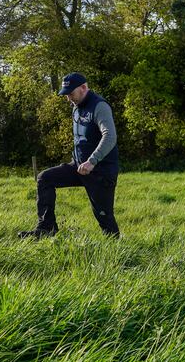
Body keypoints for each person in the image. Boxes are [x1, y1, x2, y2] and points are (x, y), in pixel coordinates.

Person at [19, 72, 120, 239]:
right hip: (79, 167)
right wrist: (78, 160)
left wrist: (92, 161)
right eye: (66, 95)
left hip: (101, 171)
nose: (68, 98)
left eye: (71, 93)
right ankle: (46, 229)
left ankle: (119, 254)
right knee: (45, 179)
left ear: (84, 88)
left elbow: (110, 136)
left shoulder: (99, 106)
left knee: (104, 218)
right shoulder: (76, 106)